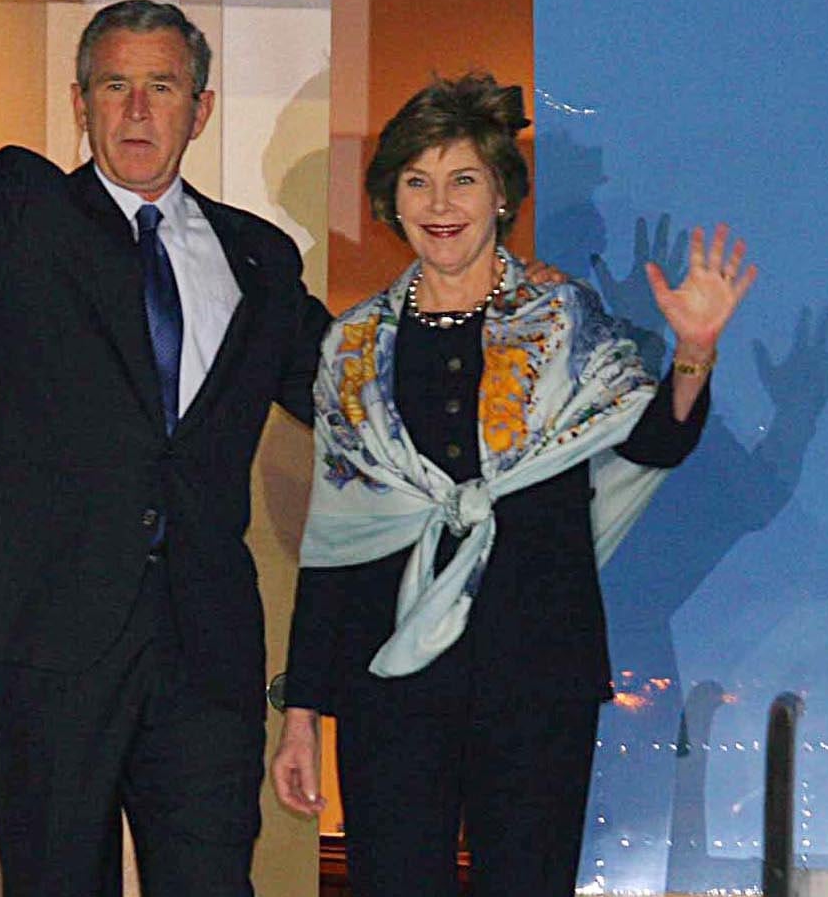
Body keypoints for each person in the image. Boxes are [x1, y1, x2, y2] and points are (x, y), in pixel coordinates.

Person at [0, 0, 330, 897]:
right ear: (80, 104)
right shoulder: (22, 212)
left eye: (162, 86)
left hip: (203, 645)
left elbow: (351, 394)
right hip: (48, 635)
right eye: (114, 85)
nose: (137, 109)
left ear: (201, 107)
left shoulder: (259, 256)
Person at [269, 73, 756, 896]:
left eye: (462, 177)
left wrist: (696, 348)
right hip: (390, 683)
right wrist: (301, 714)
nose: (439, 201)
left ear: (502, 194)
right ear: (391, 201)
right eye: (416, 181)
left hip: (536, 673)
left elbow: (660, 440)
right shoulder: (350, 349)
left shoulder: (566, 320)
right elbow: (337, 541)